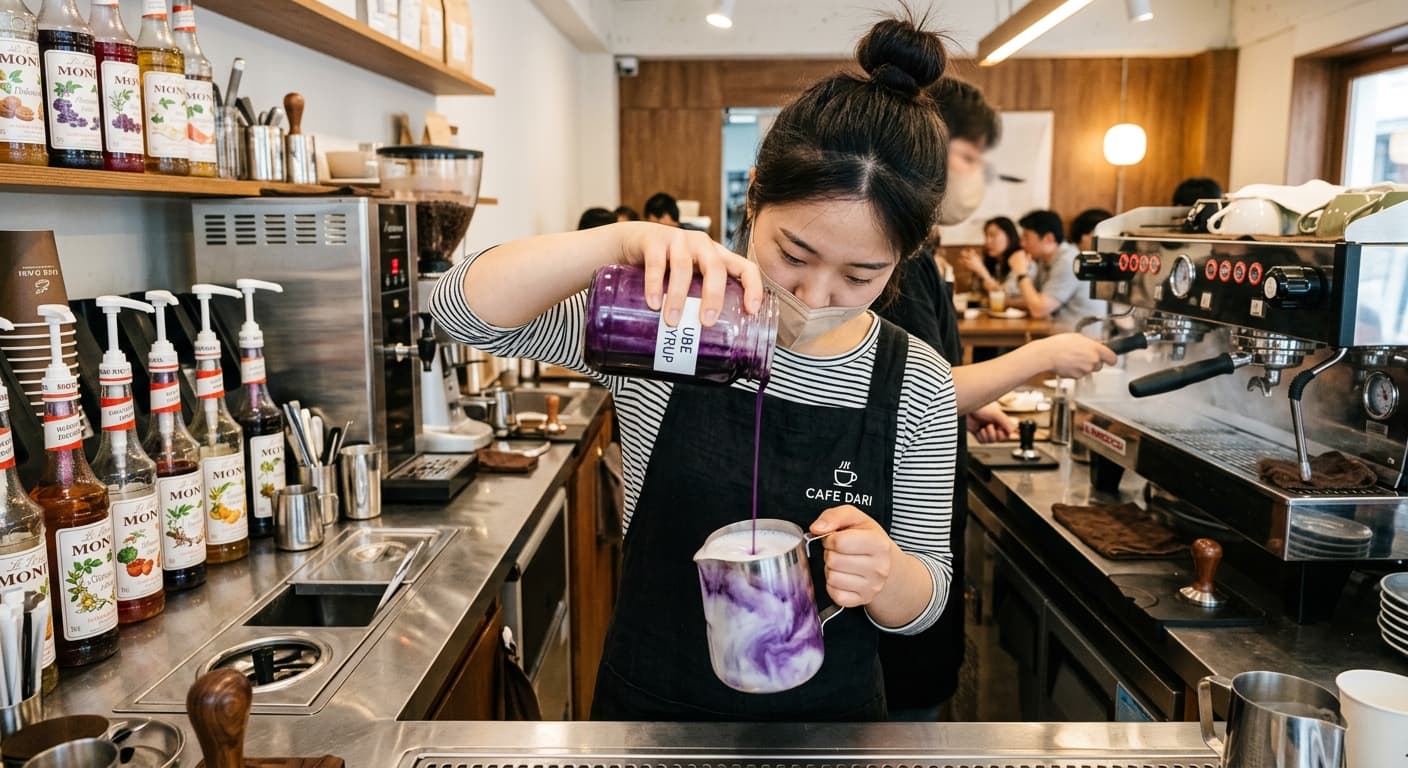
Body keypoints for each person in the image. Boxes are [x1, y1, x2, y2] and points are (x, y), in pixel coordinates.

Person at [432, 14, 959, 722]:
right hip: (655, 711)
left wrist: (890, 577)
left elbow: (927, 600)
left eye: (860, 275)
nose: (812, 296)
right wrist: (617, 240)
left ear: (903, 262)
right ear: (754, 205)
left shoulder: (916, 378)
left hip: (829, 728)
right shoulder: (673, 323)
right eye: (794, 256)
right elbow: (460, 312)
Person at [876, 83, 1115, 723]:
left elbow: (927, 378)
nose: (979, 177)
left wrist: (964, 404)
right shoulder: (886, 263)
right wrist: (1042, 354)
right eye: (970, 158)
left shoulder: (921, 260)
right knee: (906, 692)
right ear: (922, 151)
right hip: (894, 540)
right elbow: (907, 391)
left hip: (918, 537)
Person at [1009, 209, 1109, 335]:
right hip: (1061, 337)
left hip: (1081, 343)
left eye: (1026, 237)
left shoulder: (1069, 261)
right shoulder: (1044, 260)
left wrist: (1021, 272)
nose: (1022, 243)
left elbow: (1039, 310)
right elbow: (1034, 300)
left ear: (1048, 238)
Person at [958, 216, 1023, 299]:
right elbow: (977, 293)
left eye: (993, 235)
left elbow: (1005, 296)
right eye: (986, 236)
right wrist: (976, 272)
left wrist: (982, 271)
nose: (987, 241)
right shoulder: (995, 262)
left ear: (1009, 236)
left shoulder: (1020, 261)